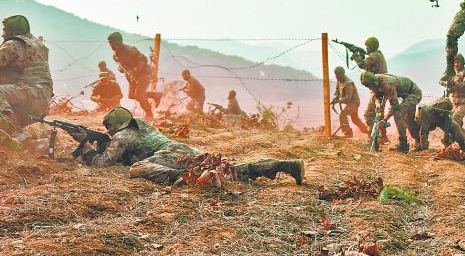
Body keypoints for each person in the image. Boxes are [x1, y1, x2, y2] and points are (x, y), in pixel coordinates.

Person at [72, 107, 304, 185]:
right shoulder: (140, 125)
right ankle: (282, 165)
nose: (108, 134)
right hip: (179, 148)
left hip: (167, 155)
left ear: (114, 126)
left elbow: (103, 164)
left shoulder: (122, 137)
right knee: (232, 168)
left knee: (138, 169)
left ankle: (181, 178)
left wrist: (84, 149)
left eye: (108, 129)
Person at [0, 15, 53, 148]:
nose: (3, 35)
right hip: (41, 100)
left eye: (4, 30)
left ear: (12, 31)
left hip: (28, 95)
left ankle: (19, 136)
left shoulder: (13, 44)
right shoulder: (38, 45)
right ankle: (35, 143)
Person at [360, 72, 421, 153]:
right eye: (366, 86)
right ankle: (417, 141)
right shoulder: (375, 81)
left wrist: (385, 119)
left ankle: (403, 145)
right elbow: (376, 96)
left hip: (414, 93)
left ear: (374, 82)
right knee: (406, 118)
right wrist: (378, 104)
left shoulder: (387, 85)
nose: (369, 88)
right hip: (403, 95)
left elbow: (394, 107)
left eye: (369, 86)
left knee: (398, 115)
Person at [108, 32, 161, 119]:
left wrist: (136, 70)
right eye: (110, 43)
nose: (111, 45)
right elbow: (121, 66)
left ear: (118, 42)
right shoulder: (115, 56)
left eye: (112, 43)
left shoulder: (130, 50)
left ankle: (149, 114)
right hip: (132, 78)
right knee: (131, 95)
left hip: (143, 74)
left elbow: (144, 59)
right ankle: (156, 95)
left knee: (139, 96)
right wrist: (121, 69)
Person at [351, 37, 389, 144]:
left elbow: (363, 64)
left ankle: (374, 139)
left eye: (367, 46)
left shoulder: (374, 56)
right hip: (382, 89)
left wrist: (356, 55)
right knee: (379, 114)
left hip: (379, 90)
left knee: (369, 115)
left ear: (372, 46)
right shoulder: (378, 55)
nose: (366, 48)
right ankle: (383, 138)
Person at [331, 66, 368, 138]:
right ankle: (367, 130)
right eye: (336, 75)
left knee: (342, 115)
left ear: (342, 74)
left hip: (354, 102)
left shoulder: (348, 83)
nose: (337, 77)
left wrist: (337, 101)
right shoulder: (339, 81)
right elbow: (338, 93)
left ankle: (348, 133)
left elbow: (348, 98)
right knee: (355, 119)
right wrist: (335, 99)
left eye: (338, 75)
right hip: (350, 103)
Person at [441, 53, 465, 128]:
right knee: (446, 119)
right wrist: (447, 83)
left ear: (462, 62)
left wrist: (455, 84)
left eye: (458, 62)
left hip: (464, 103)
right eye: (455, 62)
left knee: (454, 118)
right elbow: (441, 81)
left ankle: (449, 138)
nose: (456, 64)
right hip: (453, 103)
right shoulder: (452, 72)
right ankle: (459, 137)